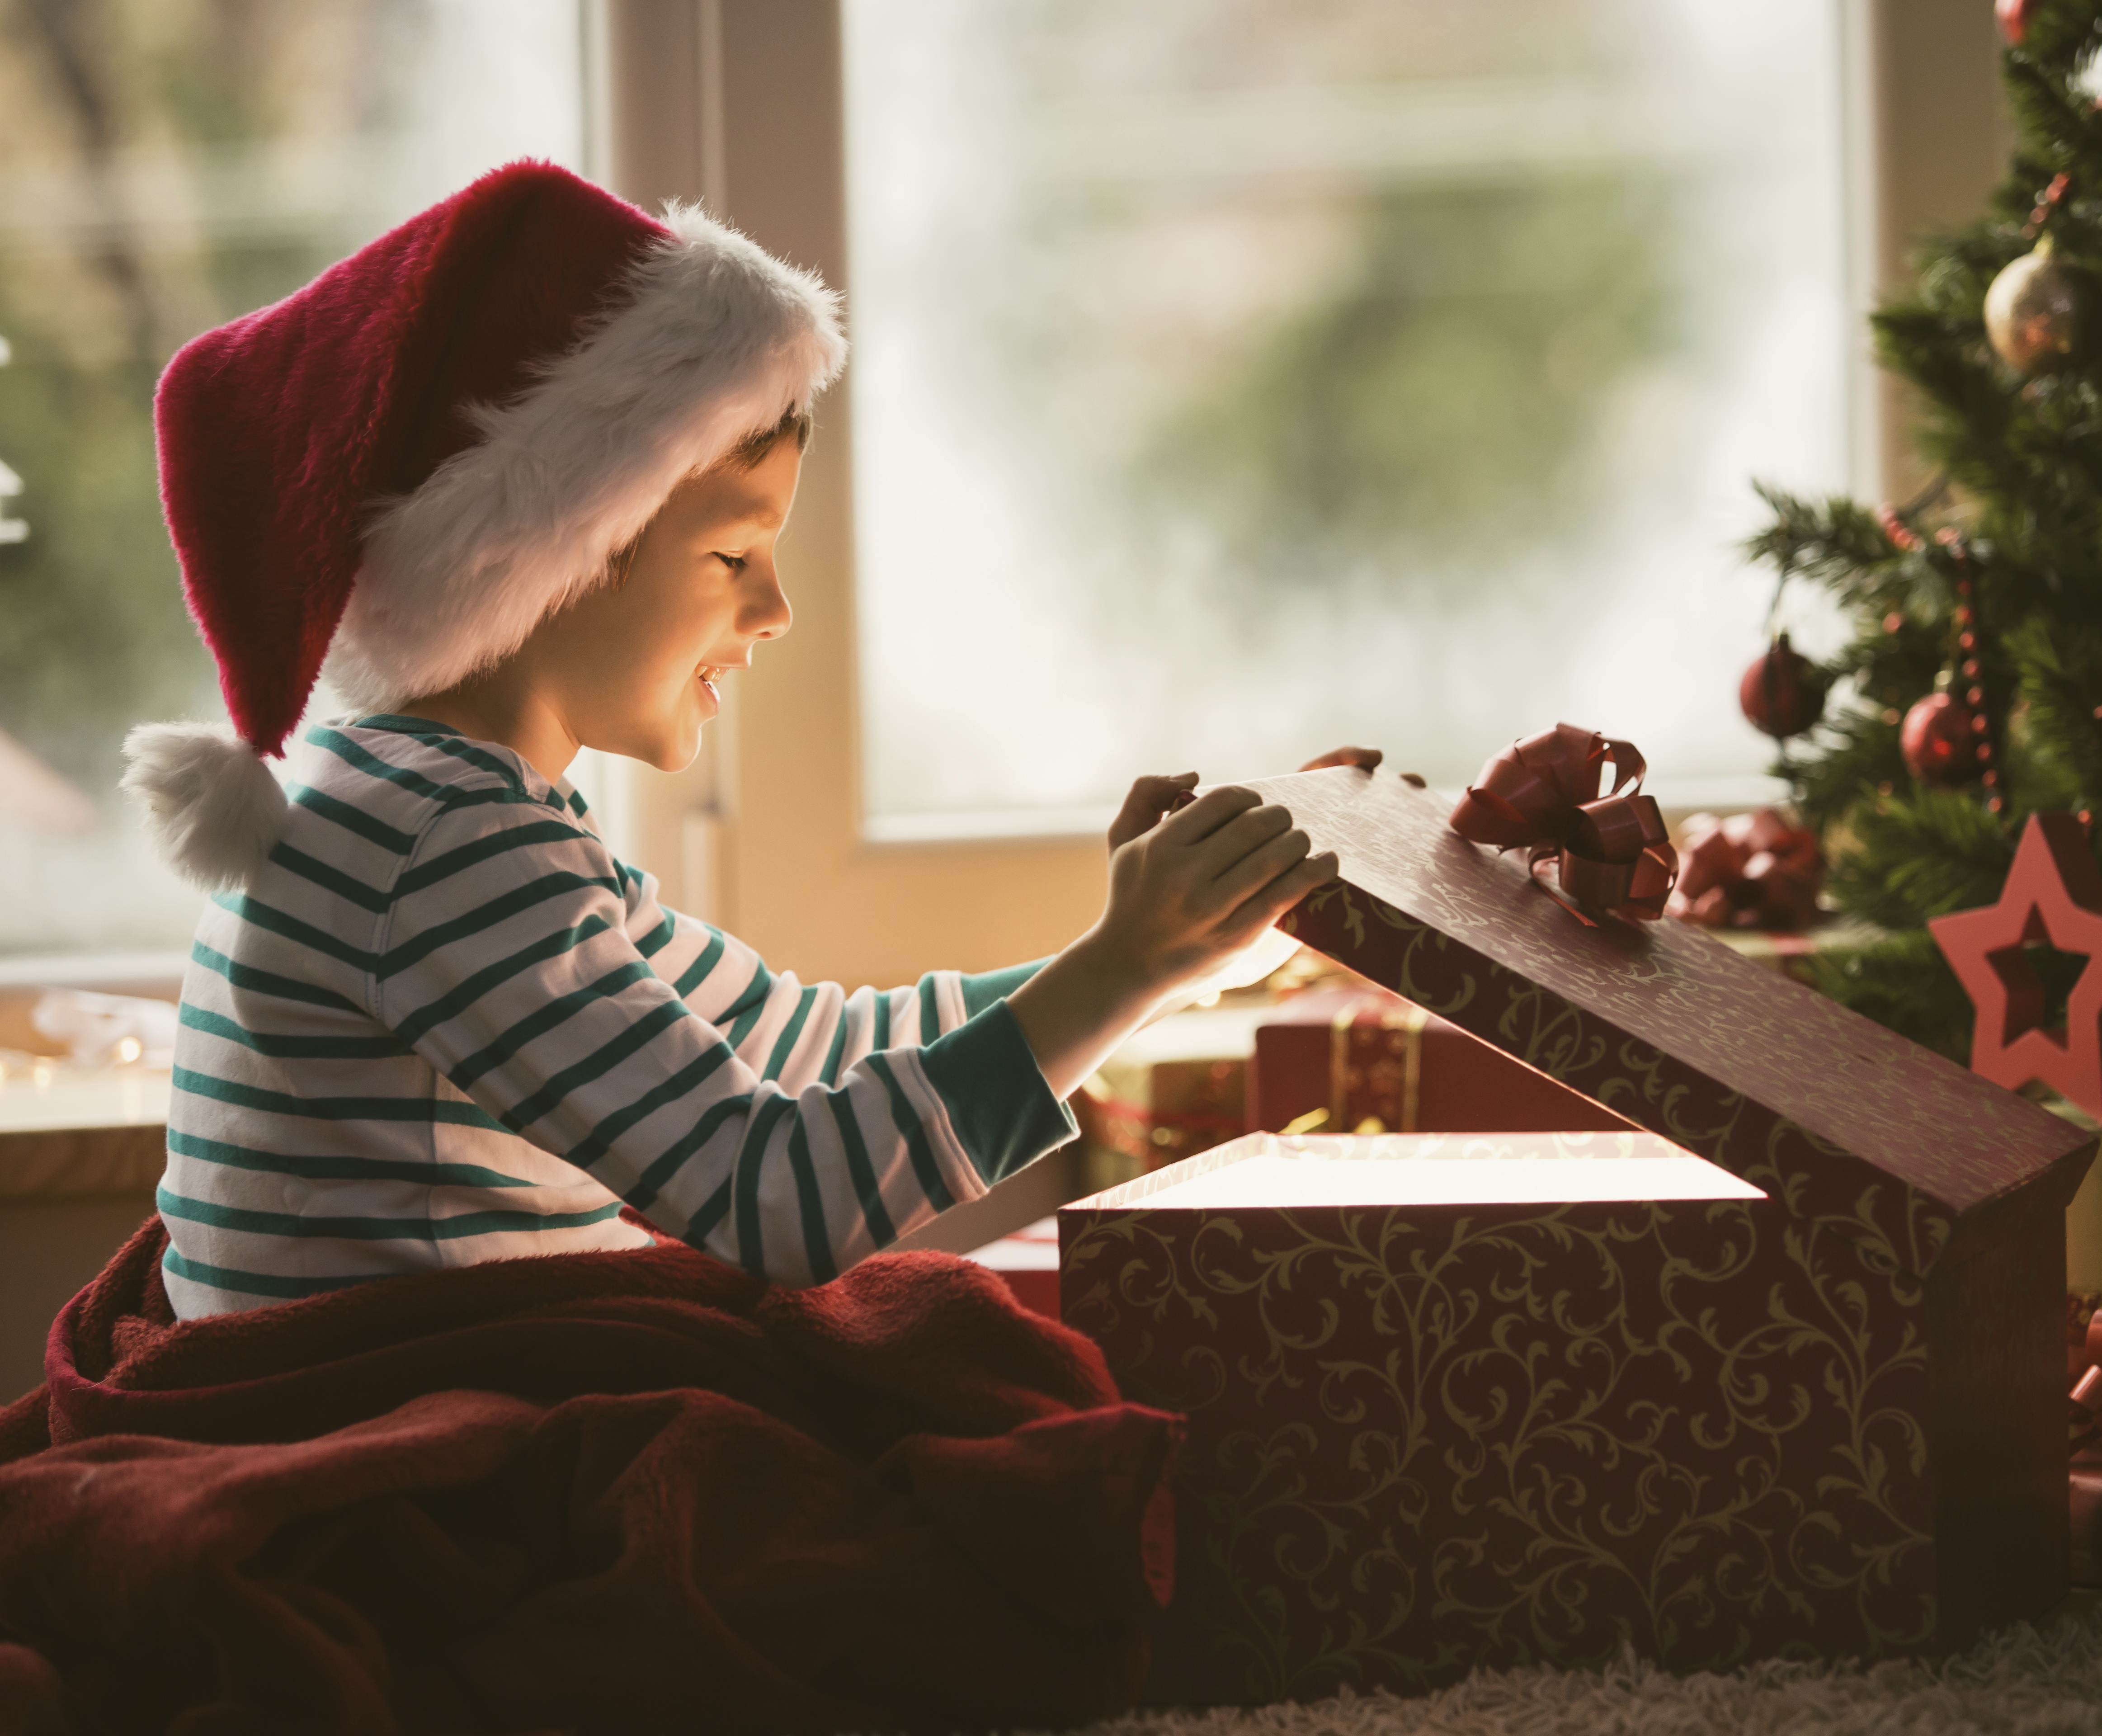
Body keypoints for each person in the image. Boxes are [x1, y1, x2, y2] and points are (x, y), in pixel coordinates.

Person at [121, 160, 1354, 1318]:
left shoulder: (419, 806)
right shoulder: (444, 841)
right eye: (732, 557)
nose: (773, 613)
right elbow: (772, 1200)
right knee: (962, 1383)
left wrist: (1150, 960)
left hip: (422, 1391)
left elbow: (806, 1043)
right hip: (425, 1452)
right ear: (553, 550)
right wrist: (1117, 973)